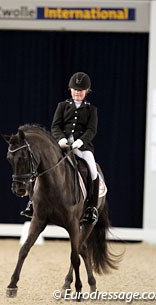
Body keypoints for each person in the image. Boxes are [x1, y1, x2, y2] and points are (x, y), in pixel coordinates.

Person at [21, 72, 99, 224]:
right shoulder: (62, 106)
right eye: (75, 89)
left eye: (81, 90)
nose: (77, 92)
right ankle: (32, 202)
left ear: (86, 91)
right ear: (70, 89)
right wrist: (61, 139)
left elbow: (92, 130)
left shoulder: (91, 110)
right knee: (40, 164)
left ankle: (92, 207)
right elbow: (56, 125)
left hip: (81, 147)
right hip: (62, 145)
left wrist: (81, 142)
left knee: (92, 169)